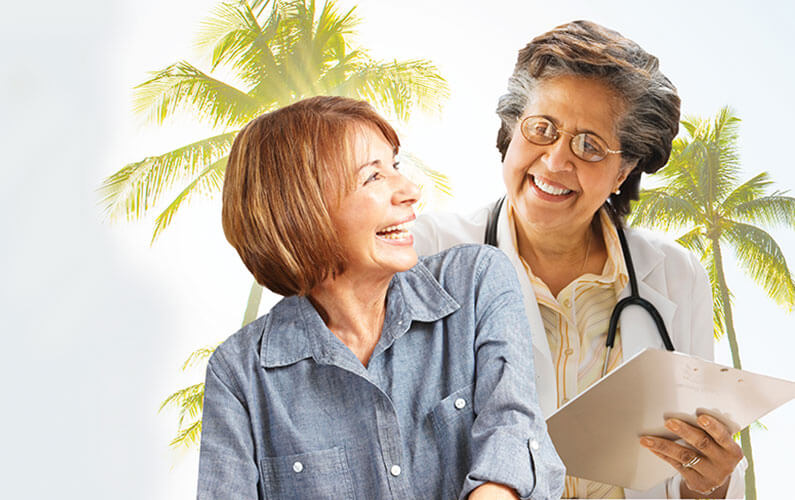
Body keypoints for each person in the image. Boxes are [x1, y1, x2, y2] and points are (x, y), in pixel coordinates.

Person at [412, 21, 746, 499]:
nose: (555, 161)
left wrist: (711, 480)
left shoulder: (676, 276)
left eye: (590, 144)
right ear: (511, 129)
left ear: (624, 169)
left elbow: (685, 479)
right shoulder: (429, 253)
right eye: (542, 128)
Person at [197, 96, 565, 499]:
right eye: (373, 177)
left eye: (396, 167)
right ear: (302, 211)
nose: (410, 192)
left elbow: (513, 427)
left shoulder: (476, 281)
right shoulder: (239, 374)